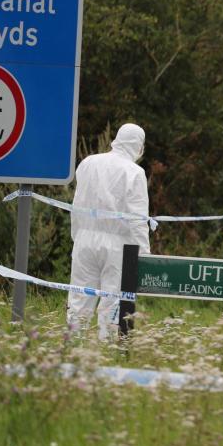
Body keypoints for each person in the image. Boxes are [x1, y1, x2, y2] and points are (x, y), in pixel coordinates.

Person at [67, 123, 150, 340]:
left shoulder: (88, 163)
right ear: (138, 146)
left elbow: (76, 205)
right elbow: (138, 219)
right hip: (117, 245)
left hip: (84, 239)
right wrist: (144, 256)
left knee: (78, 300)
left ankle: (72, 348)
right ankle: (107, 353)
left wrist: (77, 236)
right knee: (112, 304)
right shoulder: (135, 172)